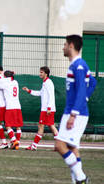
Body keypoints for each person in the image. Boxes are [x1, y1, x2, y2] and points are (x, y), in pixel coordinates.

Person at [54, 35, 96, 184]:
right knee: (72, 148)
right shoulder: (77, 65)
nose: (63, 47)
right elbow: (92, 82)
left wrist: (74, 113)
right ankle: (78, 180)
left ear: (71, 46)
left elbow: (81, 91)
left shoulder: (79, 65)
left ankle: (81, 178)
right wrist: (83, 99)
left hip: (75, 113)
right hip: (73, 111)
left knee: (59, 145)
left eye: (65, 44)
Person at [23, 66, 58, 150]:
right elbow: (40, 93)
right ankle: (59, 146)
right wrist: (29, 91)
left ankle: (34, 145)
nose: (40, 74)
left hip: (47, 109)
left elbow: (51, 96)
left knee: (41, 126)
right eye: (40, 72)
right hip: (46, 109)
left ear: (46, 74)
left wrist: (49, 108)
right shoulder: (45, 83)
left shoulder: (49, 82)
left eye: (41, 72)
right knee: (51, 126)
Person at [0, 70, 23, 150]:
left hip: (10, 107)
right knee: (18, 126)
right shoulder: (15, 82)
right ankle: (17, 142)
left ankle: (14, 141)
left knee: (7, 125)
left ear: (5, 76)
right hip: (18, 106)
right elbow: (8, 78)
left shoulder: (5, 83)